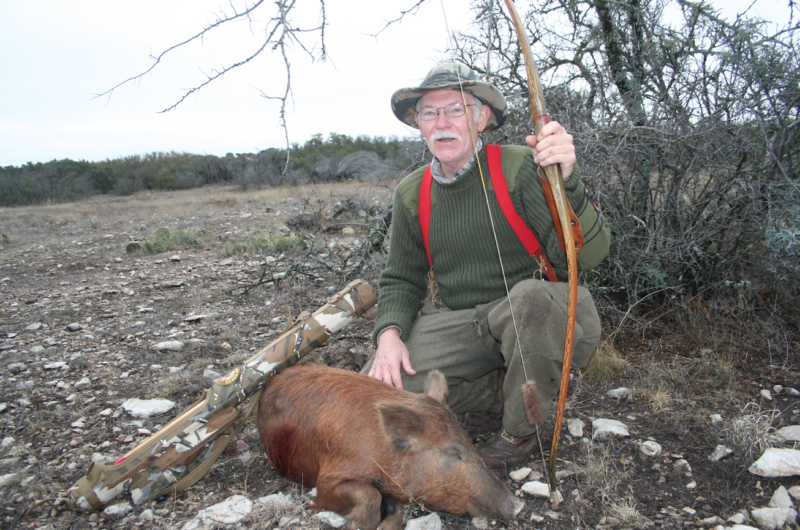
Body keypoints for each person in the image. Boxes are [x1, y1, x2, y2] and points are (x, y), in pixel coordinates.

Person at [362, 62, 611, 469]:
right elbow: (401, 278)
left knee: (530, 299)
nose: (442, 122)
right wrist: (388, 336)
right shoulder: (412, 192)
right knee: (376, 393)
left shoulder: (521, 167)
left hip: (539, 314)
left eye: (456, 109)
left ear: (481, 118)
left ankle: (520, 430)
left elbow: (589, 255)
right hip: (467, 326)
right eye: (429, 112)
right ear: (419, 124)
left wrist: (566, 181)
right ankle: (493, 392)